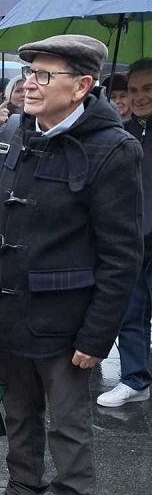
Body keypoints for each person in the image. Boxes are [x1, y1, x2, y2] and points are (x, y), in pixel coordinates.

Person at [0, 35, 142, 495]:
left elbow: (121, 255)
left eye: (44, 74)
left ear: (82, 86)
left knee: (68, 423)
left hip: (65, 319)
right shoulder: (10, 136)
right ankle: (23, 491)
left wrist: (97, 335)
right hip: (6, 308)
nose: (30, 84)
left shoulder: (113, 149)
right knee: (17, 409)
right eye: (29, 73)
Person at [97, 58, 152, 407]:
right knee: (130, 314)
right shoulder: (123, 134)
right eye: (133, 89)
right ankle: (135, 378)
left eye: (148, 88)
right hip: (132, 241)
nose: (139, 96)